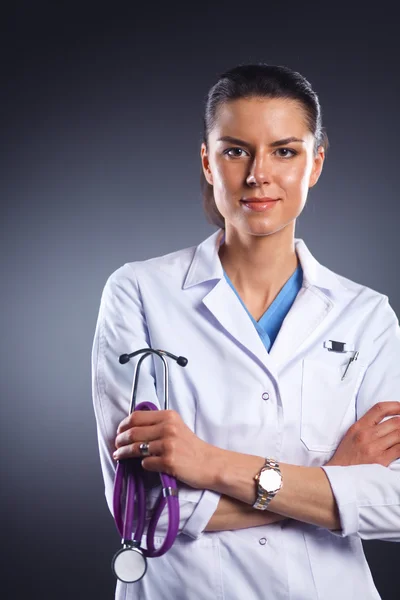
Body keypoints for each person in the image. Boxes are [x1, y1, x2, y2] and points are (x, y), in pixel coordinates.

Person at [91, 64, 400, 600]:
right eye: (236, 151)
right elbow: (145, 510)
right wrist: (334, 482)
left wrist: (209, 463)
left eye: (285, 151)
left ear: (316, 163)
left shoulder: (367, 316)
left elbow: (393, 504)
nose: (259, 174)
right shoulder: (139, 292)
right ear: (208, 161)